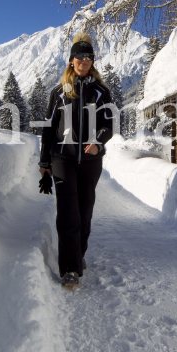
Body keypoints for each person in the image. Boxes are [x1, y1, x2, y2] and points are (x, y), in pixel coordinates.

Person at [39, 32, 116, 288]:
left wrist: (98, 142)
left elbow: (109, 125)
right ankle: (70, 269)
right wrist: (44, 163)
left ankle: (78, 254)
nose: (83, 60)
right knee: (68, 213)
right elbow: (48, 129)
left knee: (84, 213)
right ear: (71, 60)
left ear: (92, 61)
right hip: (63, 158)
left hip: (91, 162)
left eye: (88, 56)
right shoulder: (59, 92)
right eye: (78, 56)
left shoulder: (101, 92)